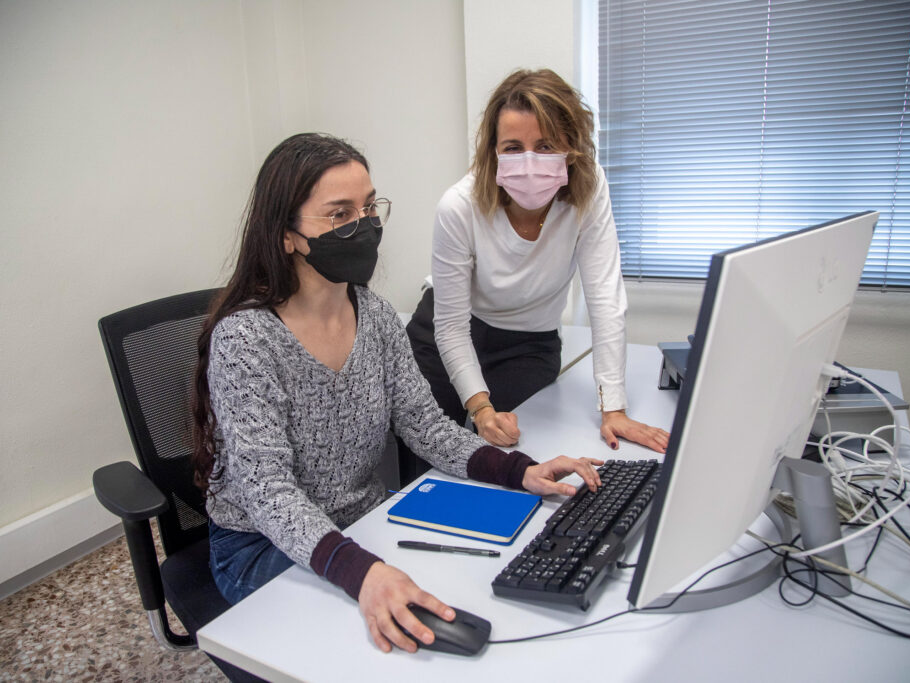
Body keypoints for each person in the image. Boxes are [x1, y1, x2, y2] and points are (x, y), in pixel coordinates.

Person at [190, 132, 605, 654]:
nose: (362, 226)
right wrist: (362, 572)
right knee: (394, 640)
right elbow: (268, 493)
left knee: (473, 582)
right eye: (338, 214)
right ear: (286, 234)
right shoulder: (246, 338)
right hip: (260, 545)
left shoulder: (377, 315)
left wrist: (519, 471)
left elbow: (426, 426)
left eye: (368, 208)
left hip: (362, 521)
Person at [405, 69, 669, 470]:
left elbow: (605, 299)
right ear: (492, 150)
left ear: (572, 146)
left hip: (529, 341)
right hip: (449, 331)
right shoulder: (459, 205)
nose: (529, 161)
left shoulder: (588, 189)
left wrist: (613, 408)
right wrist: (479, 407)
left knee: (513, 452)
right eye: (512, 147)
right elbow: (453, 327)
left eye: (545, 145)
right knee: (429, 455)